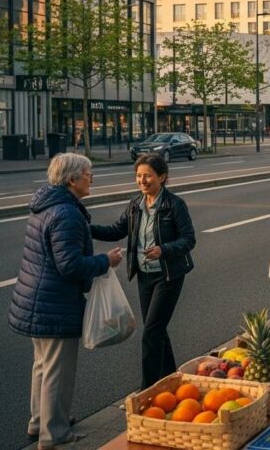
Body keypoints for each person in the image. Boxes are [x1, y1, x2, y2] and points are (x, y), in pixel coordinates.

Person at [8, 154, 123, 450]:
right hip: (55, 301)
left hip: (36, 297)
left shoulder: (45, 206)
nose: (92, 178)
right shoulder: (67, 214)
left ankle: (39, 422)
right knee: (58, 371)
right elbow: (70, 265)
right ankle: (55, 435)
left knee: (44, 366)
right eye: (88, 173)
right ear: (72, 180)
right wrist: (105, 261)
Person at [90, 153, 196, 389]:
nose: (142, 180)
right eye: (138, 176)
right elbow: (116, 230)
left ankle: (147, 390)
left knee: (151, 331)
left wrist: (164, 250)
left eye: (148, 175)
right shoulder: (135, 205)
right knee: (156, 329)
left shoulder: (174, 205)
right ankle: (171, 380)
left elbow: (189, 240)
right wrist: (85, 228)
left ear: (162, 177)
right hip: (145, 275)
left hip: (169, 274)